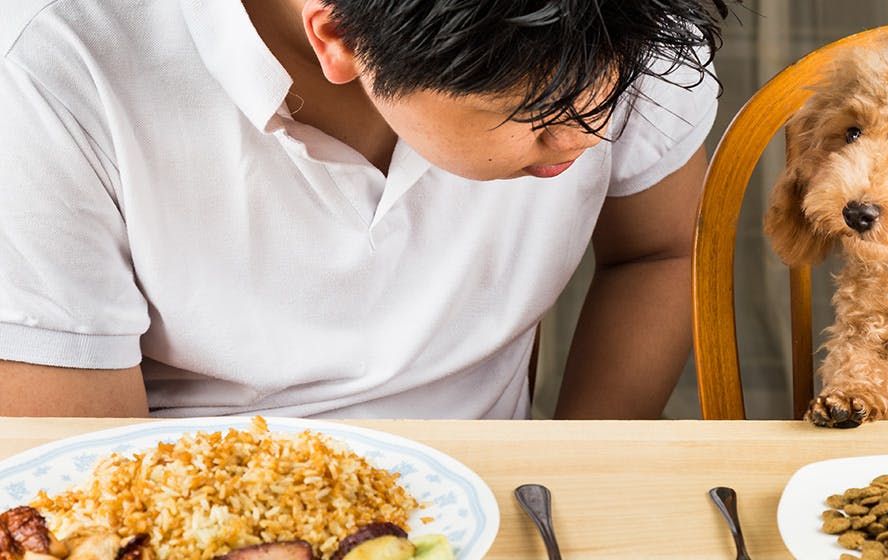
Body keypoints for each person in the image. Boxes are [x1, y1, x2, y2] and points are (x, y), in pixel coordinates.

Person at [0, 0, 733, 419]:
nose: (591, 134)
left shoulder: (625, 20)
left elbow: (659, 250)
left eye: (609, 91)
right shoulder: (46, 69)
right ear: (339, 36)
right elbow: (84, 479)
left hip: (505, 489)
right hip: (200, 510)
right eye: (536, 113)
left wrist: (580, 482)